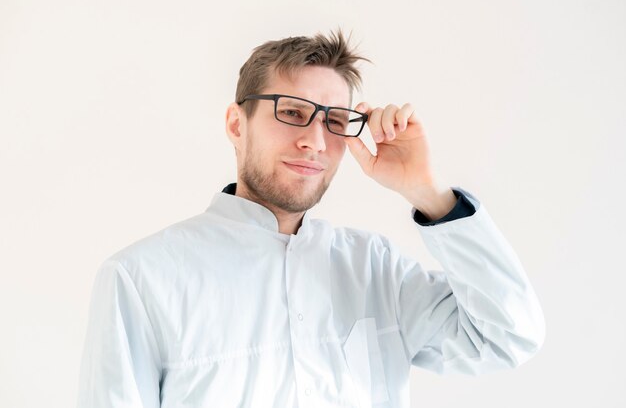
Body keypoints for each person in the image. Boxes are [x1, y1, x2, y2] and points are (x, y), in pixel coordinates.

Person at [77, 28, 545, 408]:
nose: (315, 142)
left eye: (334, 121)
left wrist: (426, 192)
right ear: (237, 125)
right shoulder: (141, 279)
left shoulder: (375, 268)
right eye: (293, 112)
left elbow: (508, 336)